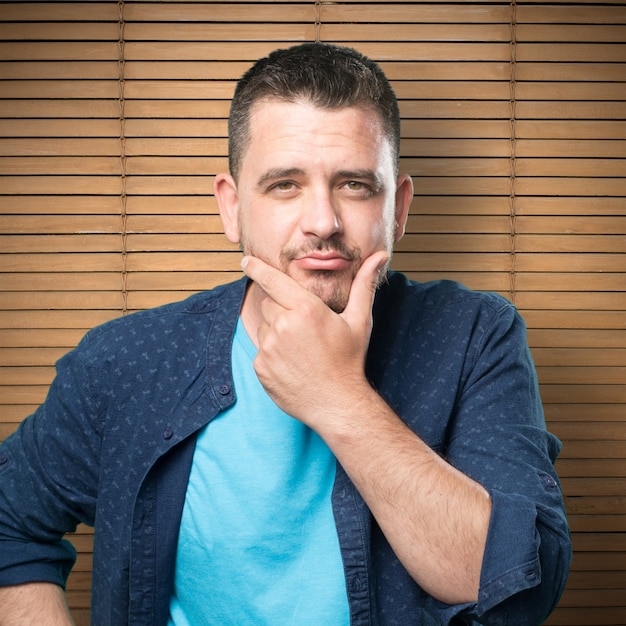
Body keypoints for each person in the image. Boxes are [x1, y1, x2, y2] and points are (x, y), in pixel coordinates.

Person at [0, 43, 570, 625]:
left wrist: (339, 397)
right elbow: (8, 521)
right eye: (284, 185)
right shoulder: (129, 360)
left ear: (397, 209)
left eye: (354, 184)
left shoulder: (475, 336)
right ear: (232, 208)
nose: (322, 220)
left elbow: (516, 586)